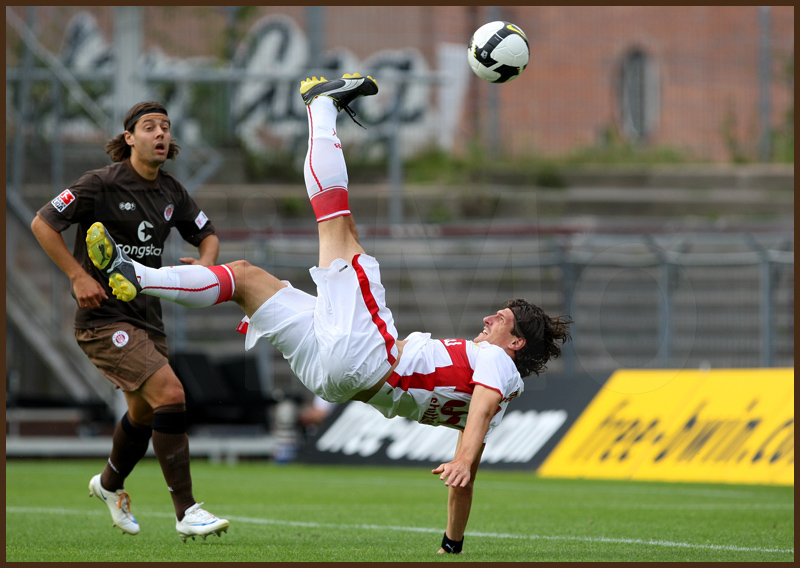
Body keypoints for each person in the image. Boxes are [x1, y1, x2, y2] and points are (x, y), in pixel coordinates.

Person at [82, 75, 572, 554]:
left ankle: (319, 104)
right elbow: (467, 473)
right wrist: (453, 543)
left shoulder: (499, 368)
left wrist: (462, 458)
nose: (489, 319)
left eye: (502, 320)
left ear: (517, 344)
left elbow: (482, 406)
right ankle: (136, 274)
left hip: (368, 355)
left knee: (336, 220)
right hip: (337, 375)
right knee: (248, 278)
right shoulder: (496, 387)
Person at [30, 101, 230, 542]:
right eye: (149, 127)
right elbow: (43, 223)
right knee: (172, 393)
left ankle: (108, 485)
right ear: (129, 138)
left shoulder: (172, 192)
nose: (160, 133)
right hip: (102, 319)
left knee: (142, 413)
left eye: (165, 127)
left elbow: (207, 233)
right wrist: (78, 275)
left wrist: (205, 266)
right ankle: (187, 511)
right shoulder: (98, 184)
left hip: (146, 318)